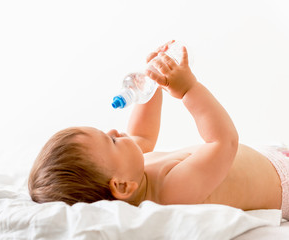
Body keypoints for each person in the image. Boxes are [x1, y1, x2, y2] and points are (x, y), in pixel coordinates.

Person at [28, 41, 288, 220]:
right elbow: (223, 142)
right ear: (121, 186)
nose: (115, 131)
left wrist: (150, 87)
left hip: (269, 157)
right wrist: (188, 90)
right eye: (111, 141)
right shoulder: (171, 191)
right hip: (284, 183)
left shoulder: (132, 170)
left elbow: (142, 135)